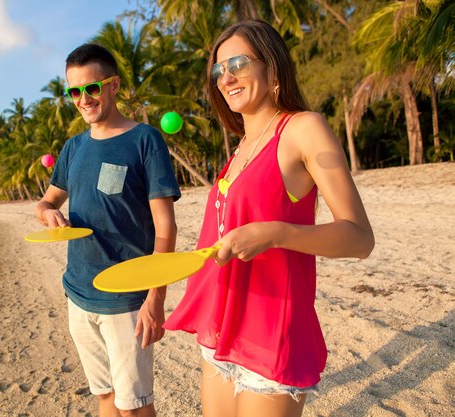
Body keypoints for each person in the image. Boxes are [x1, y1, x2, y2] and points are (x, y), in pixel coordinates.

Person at [163, 20, 374, 417]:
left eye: (239, 63)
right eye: (218, 70)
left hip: (271, 332)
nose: (226, 78)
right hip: (221, 328)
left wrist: (275, 233)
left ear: (272, 68)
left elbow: (360, 238)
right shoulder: (241, 146)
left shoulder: (303, 129)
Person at [35, 43, 180, 417]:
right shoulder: (73, 148)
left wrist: (156, 297)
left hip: (127, 299)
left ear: (113, 85)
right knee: (104, 397)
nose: (84, 99)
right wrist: (47, 213)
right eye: (74, 91)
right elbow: (46, 203)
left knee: (133, 406)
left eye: (92, 88)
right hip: (78, 292)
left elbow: (166, 226)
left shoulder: (145, 139)